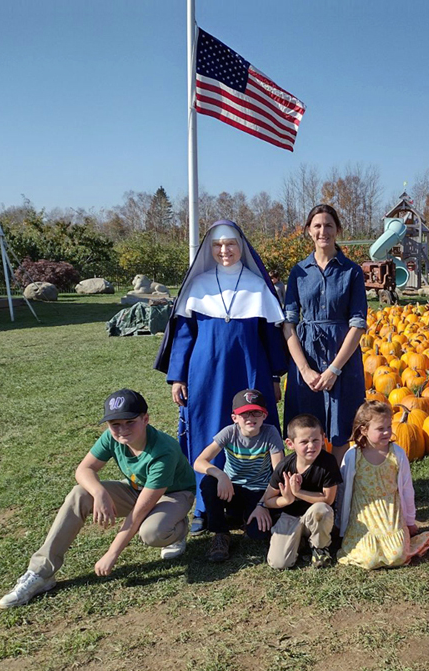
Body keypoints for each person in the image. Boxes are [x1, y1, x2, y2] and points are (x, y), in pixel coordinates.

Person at [0, 390, 195, 609]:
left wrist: (112, 553)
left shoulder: (163, 451)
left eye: (130, 422)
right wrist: (99, 492)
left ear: (145, 419)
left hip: (173, 494)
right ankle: (40, 573)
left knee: (152, 532)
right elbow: (84, 469)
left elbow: (138, 513)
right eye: (115, 424)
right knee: (80, 494)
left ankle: (177, 529)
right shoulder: (112, 437)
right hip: (137, 489)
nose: (122, 430)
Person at [155, 220, 287, 533]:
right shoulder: (198, 285)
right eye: (217, 245)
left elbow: (271, 337)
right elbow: (184, 334)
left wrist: (274, 377)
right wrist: (178, 377)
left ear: (241, 247)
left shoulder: (256, 285)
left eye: (230, 244)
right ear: (209, 249)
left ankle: (258, 498)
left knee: (252, 429)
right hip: (205, 373)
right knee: (208, 431)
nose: (224, 250)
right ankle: (206, 505)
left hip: (249, 368)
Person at [283, 204, 368, 462]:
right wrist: (304, 370)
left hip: (341, 355)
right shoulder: (298, 272)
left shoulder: (351, 271)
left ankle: (338, 484)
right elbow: (289, 324)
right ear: (309, 231)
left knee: (342, 426)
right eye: (317, 226)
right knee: (306, 427)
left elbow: (358, 324)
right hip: (306, 356)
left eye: (329, 225)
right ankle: (309, 482)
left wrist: (334, 369)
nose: (323, 231)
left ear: (337, 230)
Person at [337, 401, 429, 569]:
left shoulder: (397, 454)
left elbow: (406, 489)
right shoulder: (353, 456)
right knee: (370, 559)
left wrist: (410, 521)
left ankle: (397, 542)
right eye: (380, 429)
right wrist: (340, 522)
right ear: (364, 430)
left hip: (390, 512)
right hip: (364, 514)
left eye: (389, 426)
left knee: (398, 555)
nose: (387, 432)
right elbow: (343, 490)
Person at [192, 388, 285, 562]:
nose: (250, 418)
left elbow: (278, 472)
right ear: (234, 418)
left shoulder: (270, 433)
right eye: (244, 414)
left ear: (264, 415)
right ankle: (220, 533)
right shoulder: (229, 432)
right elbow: (199, 462)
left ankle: (244, 517)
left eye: (256, 412)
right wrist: (221, 476)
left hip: (258, 491)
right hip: (230, 489)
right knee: (208, 482)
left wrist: (263, 504)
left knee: (258, 534)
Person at [261, 414, 342, 569]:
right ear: (290, 444)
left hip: (315, 516)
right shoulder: (284, 466)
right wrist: (287, 499)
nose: (311, 446)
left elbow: (328, 499)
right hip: (291, 515)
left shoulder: (328, 462)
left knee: (322, 510)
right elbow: (268, 500)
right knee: (279, 563)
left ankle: (320, 547)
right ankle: (300, 540)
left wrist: (298, 493)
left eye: (315, 440)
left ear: (323, 438)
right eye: (304, 442)